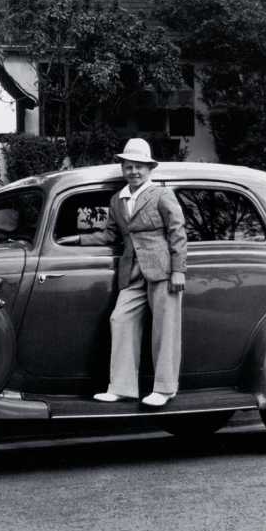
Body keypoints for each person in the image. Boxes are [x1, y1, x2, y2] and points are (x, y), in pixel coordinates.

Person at [61, 138, 188, 407]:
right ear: (123, 168)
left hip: (162, 269)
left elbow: (178, 233)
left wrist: (179, 271)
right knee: (120, 319)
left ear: (149, 168)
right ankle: (122, 386)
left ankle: (165, 389)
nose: (134, 172)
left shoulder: (162, 194)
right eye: (129, 166)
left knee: (165, 329)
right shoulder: (117, 199)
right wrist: (80, 240)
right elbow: (110, 233)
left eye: (140, 167)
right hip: (131, 271)